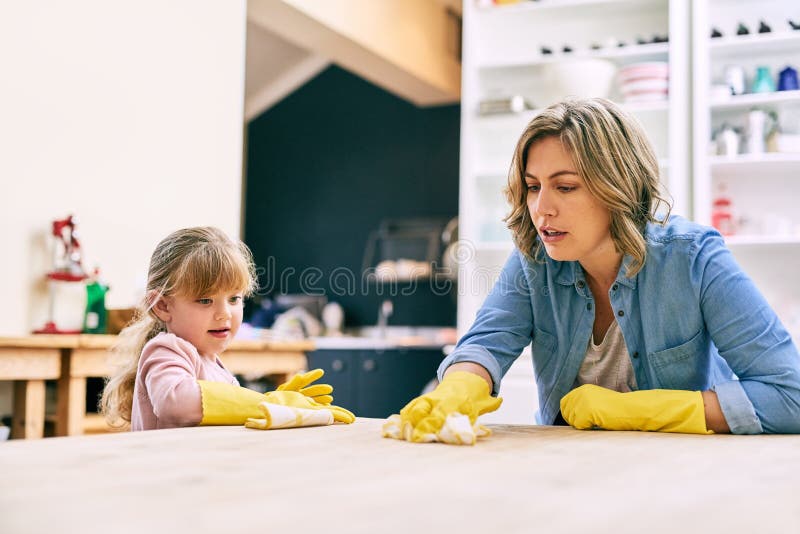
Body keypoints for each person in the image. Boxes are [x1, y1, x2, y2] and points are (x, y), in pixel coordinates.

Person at [386, 98, 800, 445]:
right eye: (533, 186)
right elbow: (486, 345)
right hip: (571, 476)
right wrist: (459, 387)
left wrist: (639, 410)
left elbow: (790, 394)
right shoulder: (535, 259)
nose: (541, 208)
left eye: (565, 187)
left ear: (618, 186)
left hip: (683, 474)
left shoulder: (694, 259)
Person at [101, 226, 354, 431]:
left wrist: (273, 407)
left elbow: (222, 415)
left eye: (234, 299)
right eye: (204, 300)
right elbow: (175, 403)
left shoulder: (215, 365)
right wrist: (263, 403)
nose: (224, 313)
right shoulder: (166, 350)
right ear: (163, 306)